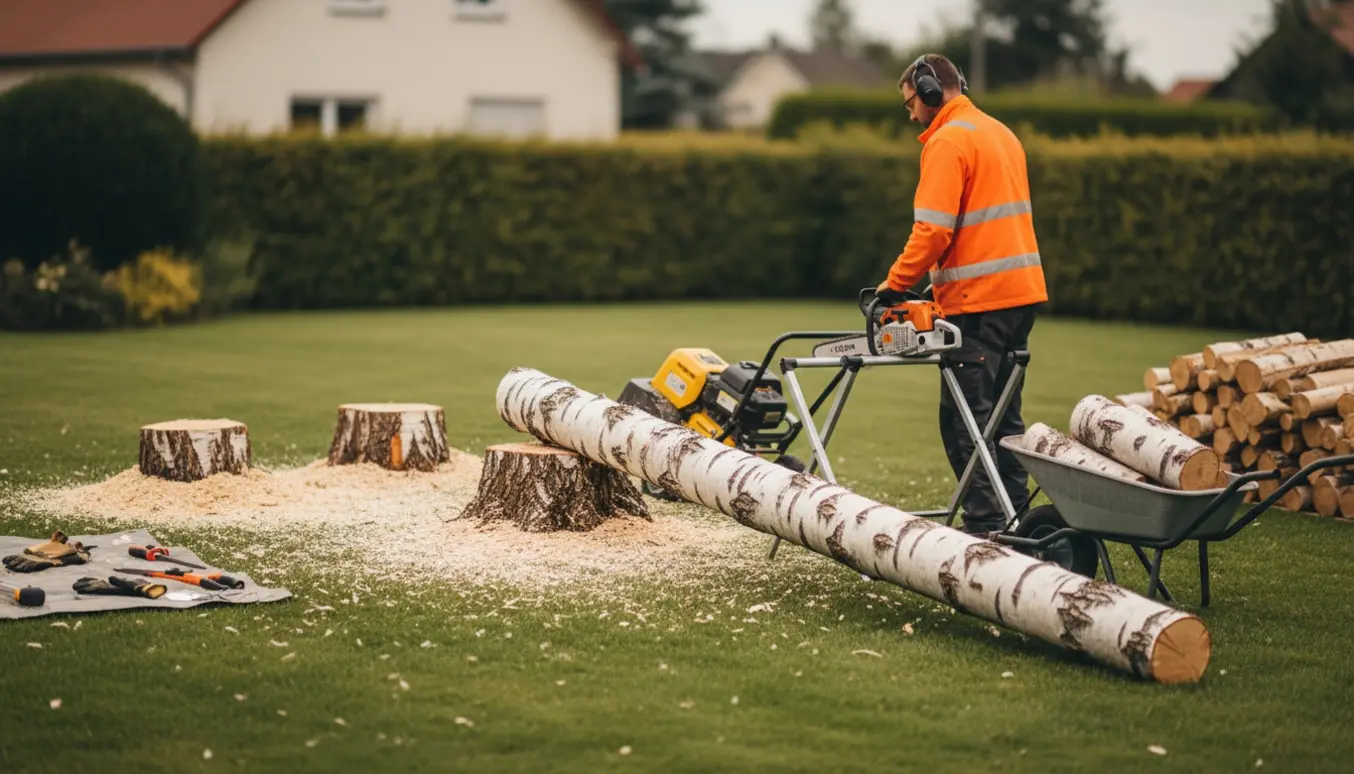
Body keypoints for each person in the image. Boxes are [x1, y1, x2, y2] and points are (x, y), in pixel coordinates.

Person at [874, 53, 1049, 537]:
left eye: (911, 102)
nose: (911, 114)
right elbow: (983, 226)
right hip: (1021, 296)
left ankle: (988, 526)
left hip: (979, 304)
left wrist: (895, 286)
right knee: (1004, 424)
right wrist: (936, 283)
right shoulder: (1001, 133)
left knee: (964, 424)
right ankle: (1022, 524)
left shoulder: (949, 140)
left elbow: (933, 228)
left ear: (931, 92)